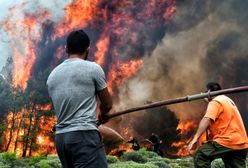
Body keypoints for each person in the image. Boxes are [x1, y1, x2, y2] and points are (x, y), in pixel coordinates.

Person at [46, 30, 112, 168]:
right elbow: (107, 104)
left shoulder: (52, 75)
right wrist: (103, 114)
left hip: (61, 139)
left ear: (66, 49)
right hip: (84, 136)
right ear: (87, 49)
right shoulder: (93, 68)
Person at [187, 82, 248, 168]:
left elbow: (207, 118)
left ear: (209, 92)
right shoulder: (227, 100)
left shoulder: (215, 101)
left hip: (227, 141)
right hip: (241, 143)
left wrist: (195, 138)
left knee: (200, 155)